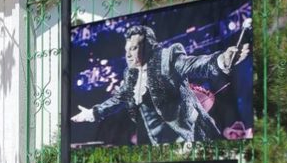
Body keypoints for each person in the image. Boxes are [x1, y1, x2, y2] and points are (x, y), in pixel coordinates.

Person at [71, 25, 249, 145]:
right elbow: (119, 98)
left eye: (133, 49)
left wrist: (221, 60)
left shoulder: (168, 58)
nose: (129, 55)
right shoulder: (130, 73)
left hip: (193, 134)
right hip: (160, 145)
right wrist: (93, 112)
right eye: (127, 50)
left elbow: (197, 64)